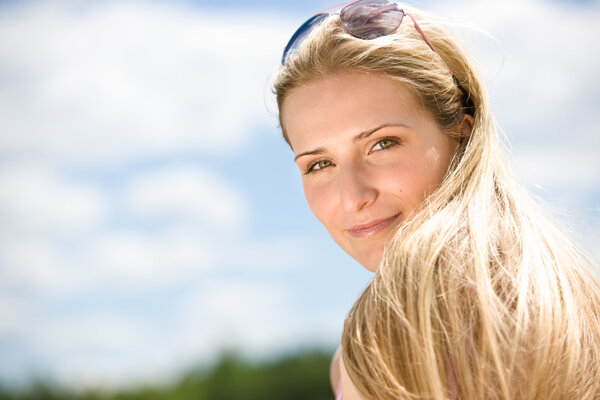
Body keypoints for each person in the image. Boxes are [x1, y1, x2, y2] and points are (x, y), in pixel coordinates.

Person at [273, 0, 600, 399]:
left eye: (383, 143)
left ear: (462, 134)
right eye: (319, 164)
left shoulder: (387, 339)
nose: (352, 197)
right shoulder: (570, 298)